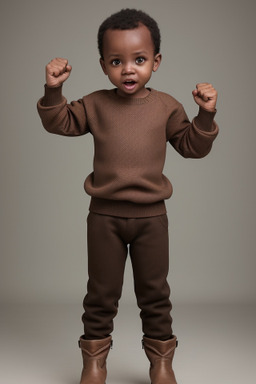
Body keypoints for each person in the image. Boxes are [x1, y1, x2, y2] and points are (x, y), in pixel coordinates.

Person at [37, 8, 218, 384]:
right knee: (101, 294)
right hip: (104, 217)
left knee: (155, 294)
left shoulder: (167, 106)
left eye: (139, 60)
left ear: (156, 61)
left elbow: (192, 147)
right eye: (117, 61)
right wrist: (54, 89)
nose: (128, 69)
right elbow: (60, 122)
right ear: (103, 65)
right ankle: (94, 362)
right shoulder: (95, 104)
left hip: (152, 219)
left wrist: (204, 116)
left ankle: (161, 363)